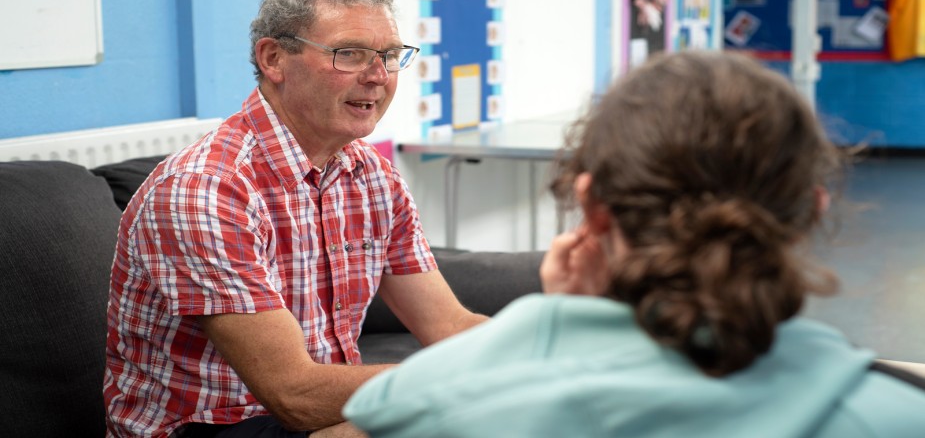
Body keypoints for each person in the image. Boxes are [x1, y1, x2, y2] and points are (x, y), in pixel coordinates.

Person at [343, 50, 925, 437]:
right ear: (810, 212)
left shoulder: (431, 409)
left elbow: (389, 400)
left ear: (593, 207)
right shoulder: (898, 415)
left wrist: (554, 319)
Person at [103, 0, 487, 437]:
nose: (378, 76)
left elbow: (448, 323)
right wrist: (458, 383)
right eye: (350, 54)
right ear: (273, 58)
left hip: (316, 413)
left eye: (389, 56)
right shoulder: (206, 189)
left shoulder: (373, 177)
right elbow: (293, 394)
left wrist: (539, 358)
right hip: (207, 427)